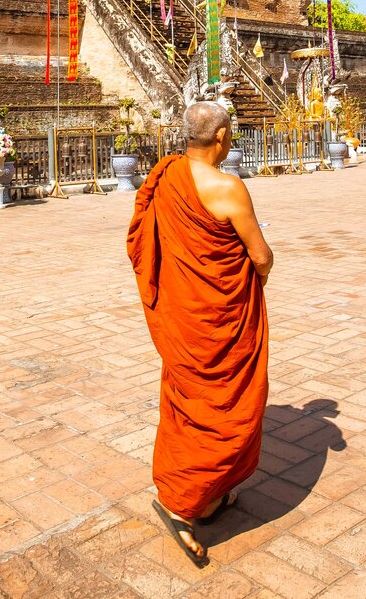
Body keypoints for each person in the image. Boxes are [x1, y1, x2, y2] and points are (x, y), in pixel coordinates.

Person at [126, 100, 273, 567]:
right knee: (228, 408)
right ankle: (179, 503)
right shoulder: (229, 188)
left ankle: (205, 497)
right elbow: (262, 255)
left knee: (189, 398)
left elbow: (140, 240)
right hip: (220, 317)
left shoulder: (165, 174)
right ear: (224, 137)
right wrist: (252, 281)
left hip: (186, 315)